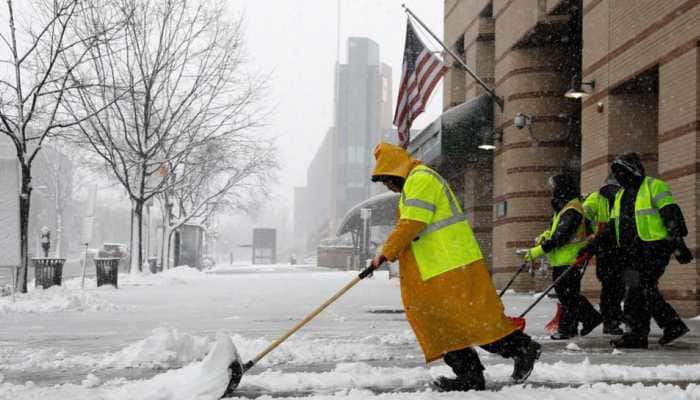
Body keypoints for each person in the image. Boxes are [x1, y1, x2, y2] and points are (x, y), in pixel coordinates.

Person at [369, 143, 541, 392]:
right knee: (442, 325)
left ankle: (521, 348)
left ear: (396, 172)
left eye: (387, 180)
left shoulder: (421, 179)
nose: (388, 186)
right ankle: (470, 375)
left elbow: (412, 223)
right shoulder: (413, 185)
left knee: (470, 321)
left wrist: (385, 252)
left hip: (451, 266)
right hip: (435, 270)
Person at [580, 152, 692, 348]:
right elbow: (612, 227)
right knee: (640, 289)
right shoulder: (621, 195)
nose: (619, 176)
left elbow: (671, 216)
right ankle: (663, 327)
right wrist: (594, 244)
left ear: (632, 170)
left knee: (639, 288)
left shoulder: (654, 186)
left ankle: (642, 333)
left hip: (655, 247)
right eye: (616, 172)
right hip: (633, 252)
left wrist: (678, 245)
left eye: (621, 171)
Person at [525, 174, 602, 340]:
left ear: (562, 188)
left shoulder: (572, 209)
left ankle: (581, 322)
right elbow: (556, 231)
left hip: (570, 257)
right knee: (567, 294)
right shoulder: (563, 208)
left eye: (554, 187)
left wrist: (538, 251)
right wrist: (545, 235)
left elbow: (561, 237)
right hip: (562, 259)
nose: (552, 190)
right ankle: (577, 324)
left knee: (568, 295)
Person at [582, 174, 625, 335]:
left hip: (618, 249)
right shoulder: (597, 199)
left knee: (616, 288)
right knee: (611, 288)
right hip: (606, 248)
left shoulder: (622, 198)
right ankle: (611, 320)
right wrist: (590, 237)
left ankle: (614, 317)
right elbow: (582, 217)